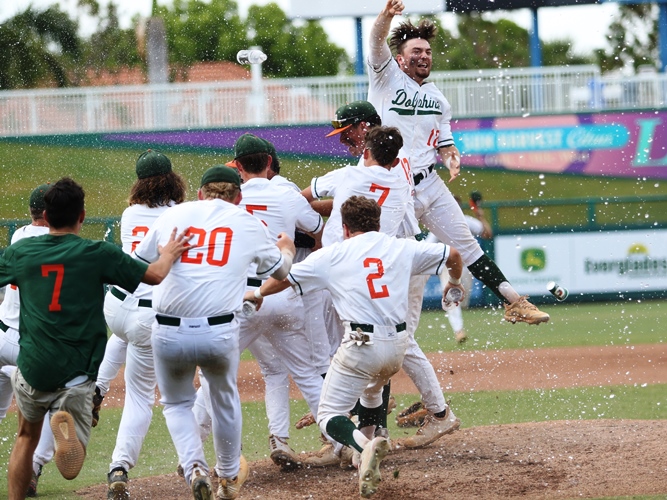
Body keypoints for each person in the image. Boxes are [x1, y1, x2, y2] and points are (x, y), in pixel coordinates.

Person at [244, 196, 465, 498]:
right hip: (398, 345)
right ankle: (366, 458)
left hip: (361, 345)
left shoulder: (335, 254)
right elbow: (453, 253)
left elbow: (286, 279)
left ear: (345, 227)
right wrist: (453, 282)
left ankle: (362, 444)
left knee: (327, 415)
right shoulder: (401, 246)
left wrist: (257, 293)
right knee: (372, 392)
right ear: (377, 222)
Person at [0, 177, 190, 500]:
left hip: (31, 365)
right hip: (77, 370)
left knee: (24, 438)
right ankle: (65, 423)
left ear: (45, 217)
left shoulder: (22, 252)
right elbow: (155, 275)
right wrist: (169, 254)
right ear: (83, 216)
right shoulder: (96, 253)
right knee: (73, 461)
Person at [367, 0, 549, 326]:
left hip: (429, 183)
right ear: (399, 58)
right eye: (416, 51)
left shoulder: (439, 98)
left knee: (466, 244)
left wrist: (452, 159)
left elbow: (445, 143)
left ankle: (514, 302)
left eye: (427, 51)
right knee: (381, 253)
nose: (423, 55)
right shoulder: (386, 78)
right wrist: (386, 16)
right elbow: (376, 41)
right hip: (392, 185)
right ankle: (368, 322)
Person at [134, 165, 296, 500]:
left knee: (177, 403)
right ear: (239, 196)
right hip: (219, 330)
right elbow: (280, 271)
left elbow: (139, 263)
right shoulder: (246, 221)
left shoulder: (174, 215)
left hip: (167, 329)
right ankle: (227, 475)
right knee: (223, 401)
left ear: (200, 192)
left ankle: (194, 468)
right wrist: (288, 249)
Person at [322, 101, 462, 451]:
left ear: (367, 129)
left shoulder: (361, 171)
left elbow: (330, 195)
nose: (344, 141)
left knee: (396, 340)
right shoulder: (388, 163)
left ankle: (438, 414)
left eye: (348, 132)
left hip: (391, 259)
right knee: (380, 341)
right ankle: (374, 430)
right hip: (387, 260)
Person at [101, 150, 187, 500]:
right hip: (146, 315)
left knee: (123, 339)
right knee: (140, 397)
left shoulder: (128, 212)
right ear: (172, 180)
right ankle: (119, 465)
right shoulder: (178, 216)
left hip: (115, 307)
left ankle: (98, 386)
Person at [0, 184, 55, 497]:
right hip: (28, 347)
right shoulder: (56, 244)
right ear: (50, 214)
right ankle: (31, 469)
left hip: (0, 333)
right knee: (49, 409)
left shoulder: (18, 234)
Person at [427, 192, 494, 344]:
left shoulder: (465, 221)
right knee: (451, 298)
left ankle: (459, 326)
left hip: (465, 265)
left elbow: (487, 233)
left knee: (463, 301)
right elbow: (427, 247)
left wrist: (480, 215)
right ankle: (459, 331)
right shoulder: (439, 224)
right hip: (448, 266)